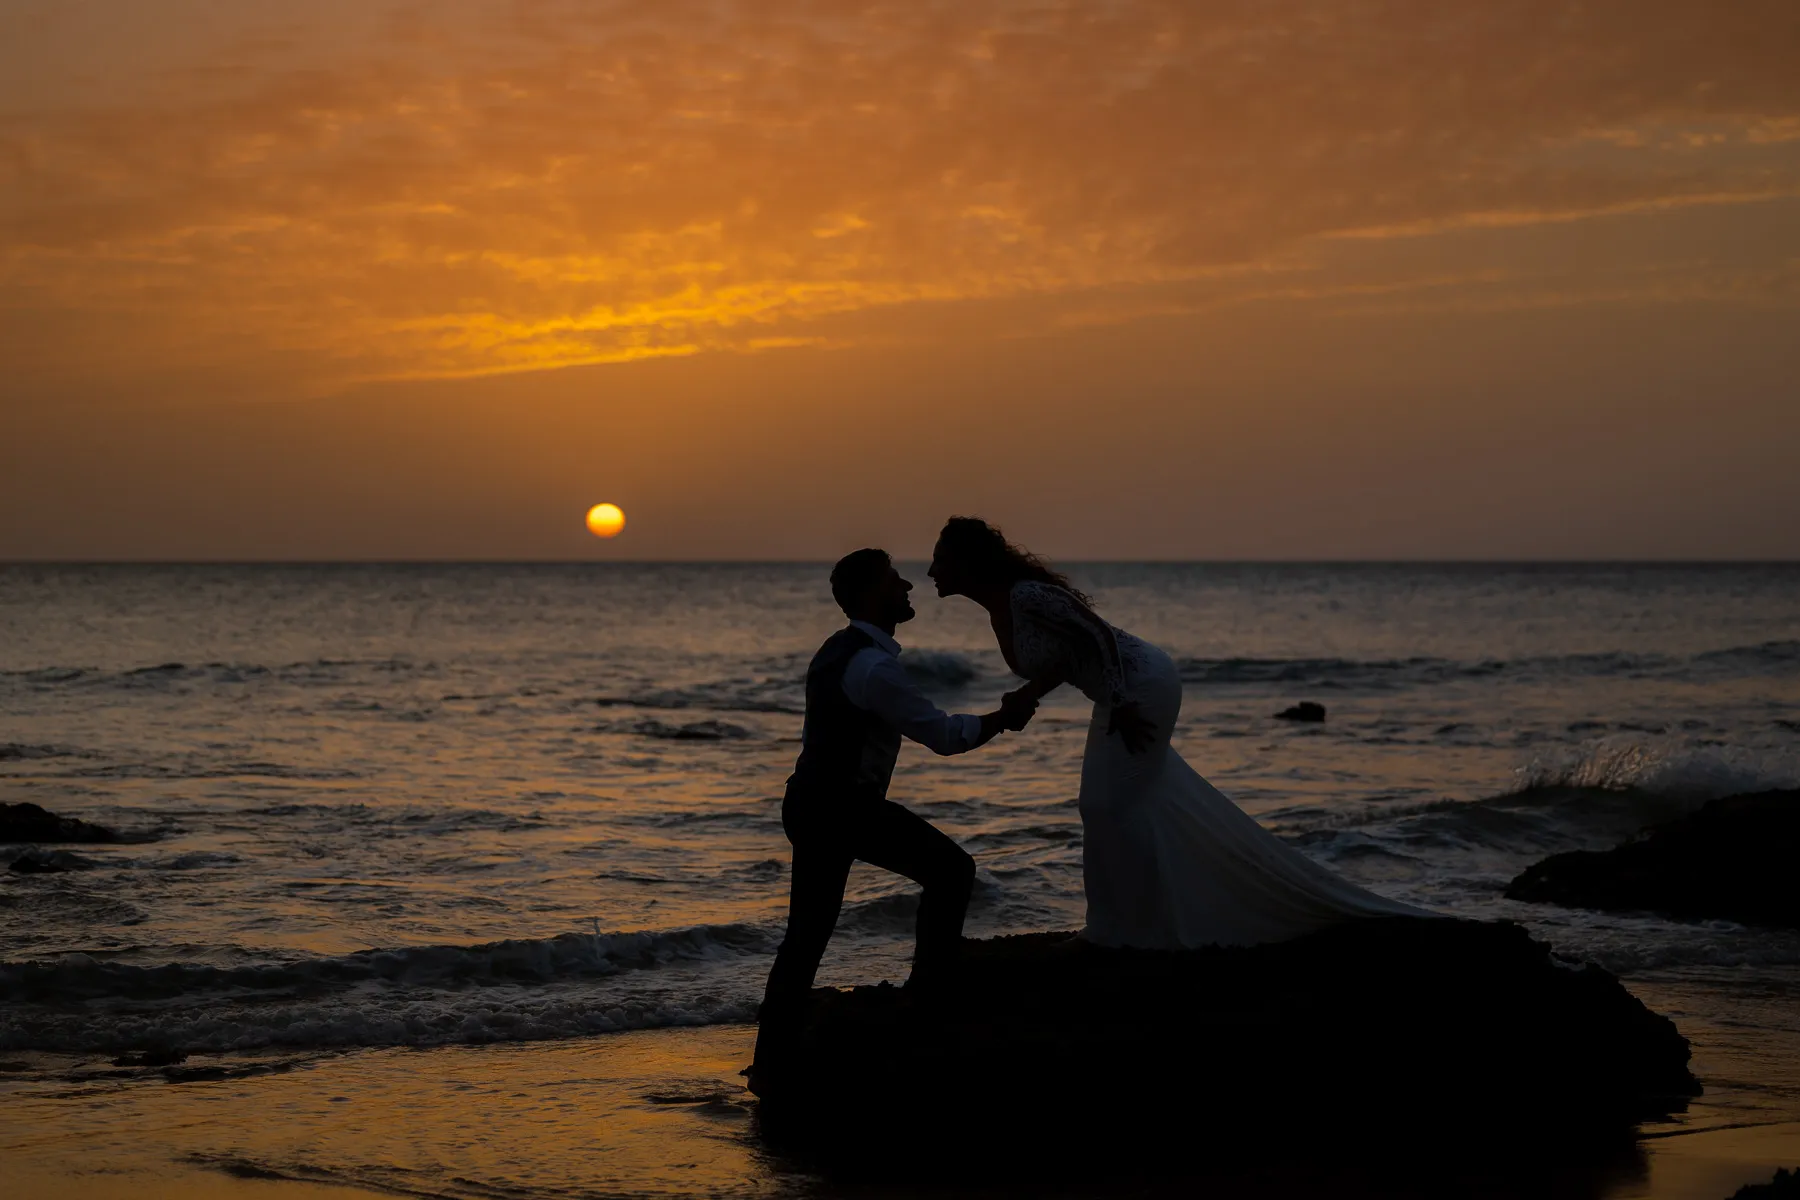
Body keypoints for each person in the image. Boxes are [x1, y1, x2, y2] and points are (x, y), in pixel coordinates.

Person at [927, 516, 1430, 950]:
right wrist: (1029, 695)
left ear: (967, 563)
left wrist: (1121, 702)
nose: (930, 571)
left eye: (939, 560)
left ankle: (1121, 932)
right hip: (1118, 694)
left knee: (1108, 805)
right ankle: (1144, 922)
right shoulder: (999, 607)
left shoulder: (1026, 594)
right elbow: (1068, 656)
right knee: (1128, 804)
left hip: (1143, 682)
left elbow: (1100, 635)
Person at [748, 548, 1037, 1089]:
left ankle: (771, 1064)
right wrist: (1004, 718)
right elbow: (943, 736)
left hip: (812, 802)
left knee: (806, 936)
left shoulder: (839, 651)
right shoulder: (872, 666)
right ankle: (928, 1001)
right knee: (952, 872)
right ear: (866, 595)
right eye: (892, 580)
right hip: (841, 808)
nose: (907, 585)